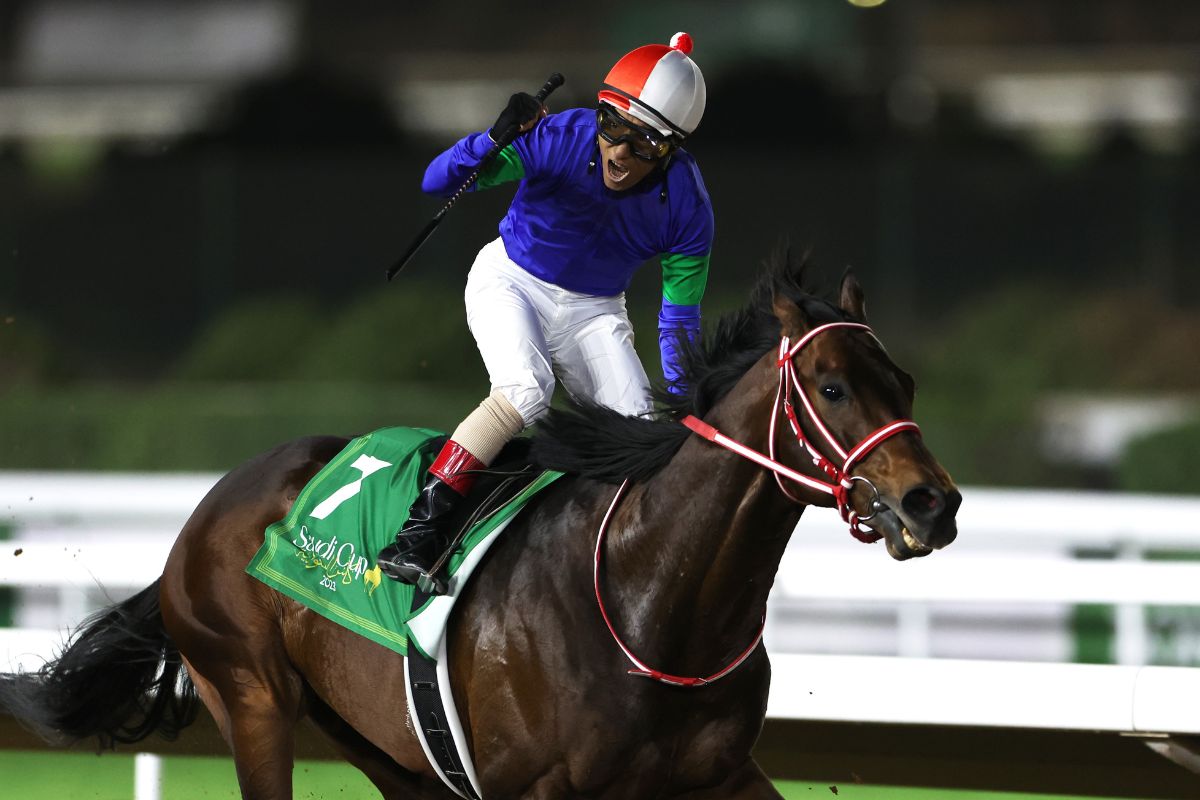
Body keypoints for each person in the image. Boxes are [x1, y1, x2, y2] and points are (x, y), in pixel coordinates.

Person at [378, 32, 714, 592]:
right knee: (527, 391)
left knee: (645, 432)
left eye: (646, 147)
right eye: (613, 131)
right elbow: (436, 180)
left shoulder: (689, 204)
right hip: (510, 280)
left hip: (594, 309)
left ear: (672, 148)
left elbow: (678, 320)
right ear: (601, 113)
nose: (620, 156)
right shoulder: (559, 136)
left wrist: (687, 403)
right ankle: (422, 531)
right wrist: (491, 137)